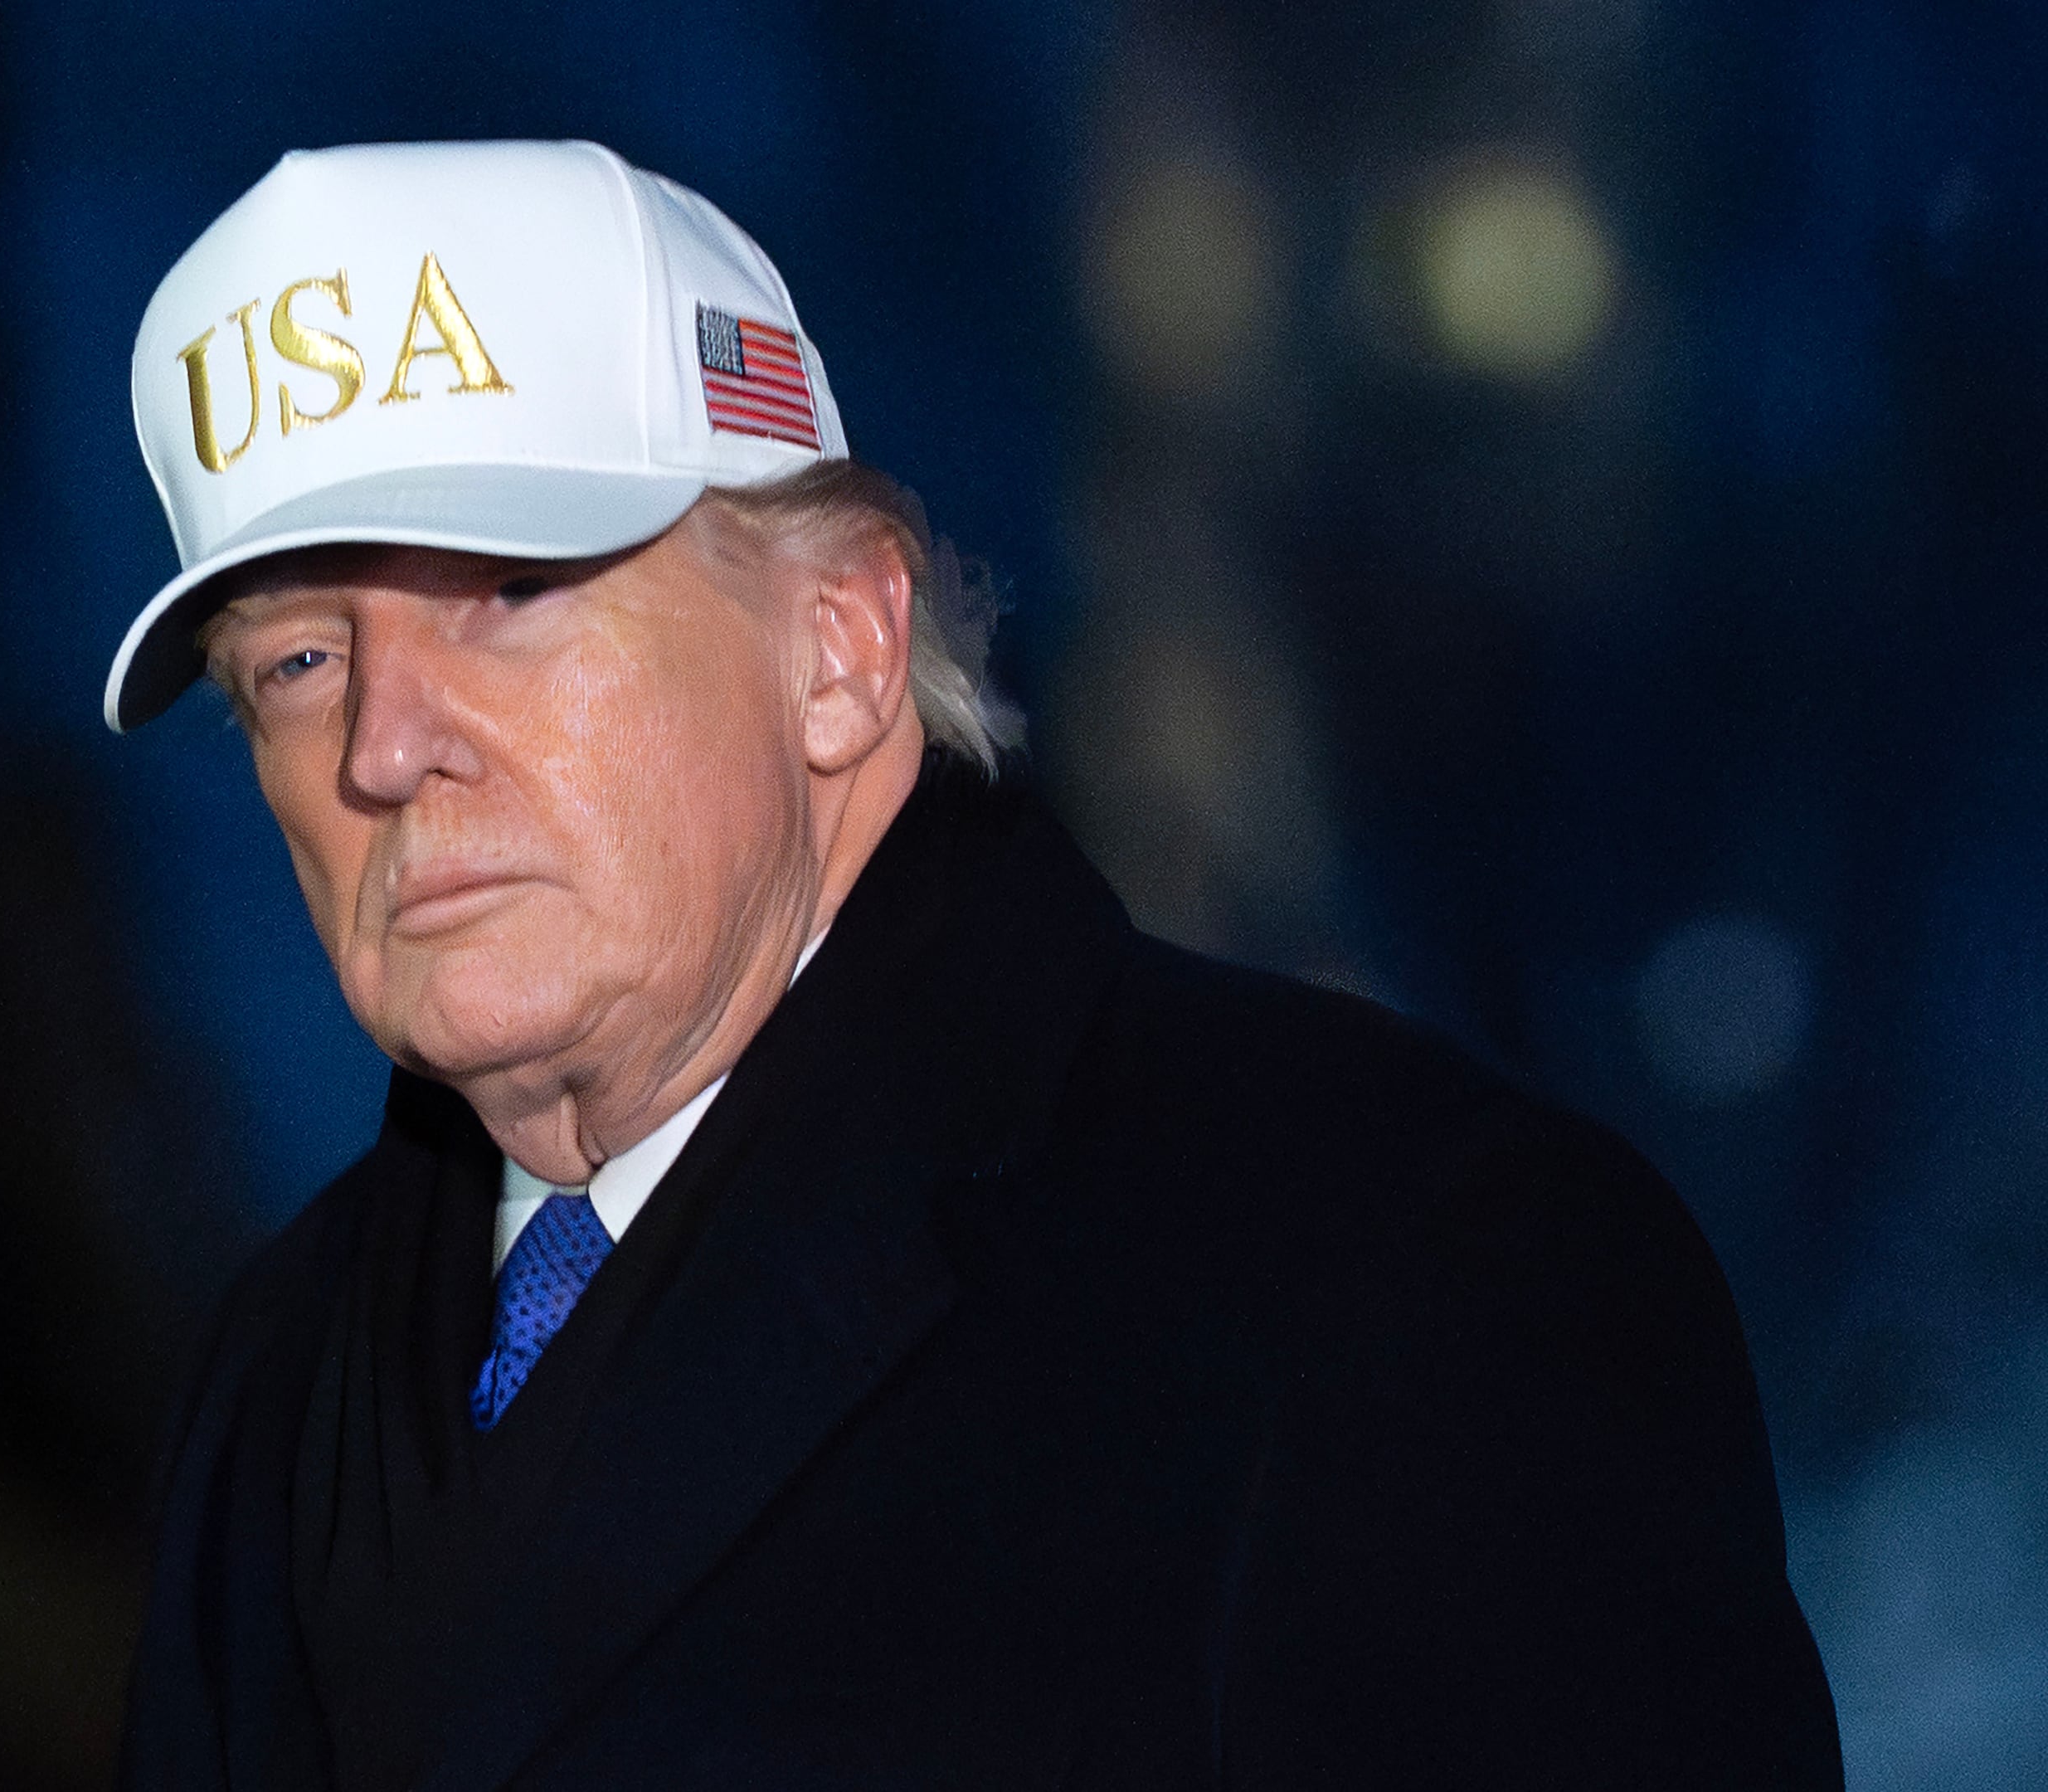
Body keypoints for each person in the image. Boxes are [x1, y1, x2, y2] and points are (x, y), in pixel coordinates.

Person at [100, 140, 1841, 1791]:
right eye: (304, 659)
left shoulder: (1396, 1263)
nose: (386, 746)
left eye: (508, 593)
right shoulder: (275, 1382)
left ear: (843, 649)